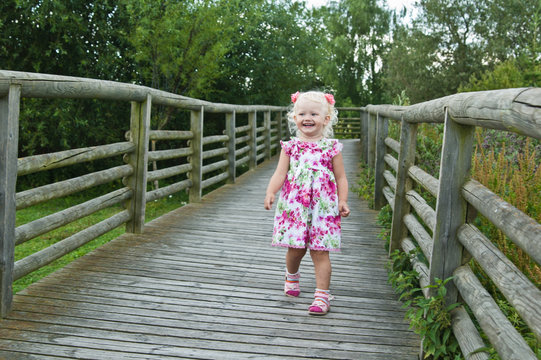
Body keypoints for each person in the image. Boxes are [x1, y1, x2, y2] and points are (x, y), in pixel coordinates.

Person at [264, 90, 350, 315]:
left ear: (326, 119)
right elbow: (280, 174)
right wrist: (271, 192)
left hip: (323, 209)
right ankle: (291, 276)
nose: (307, 118)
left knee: (320, 252)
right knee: (296, 249)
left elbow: (341, 177)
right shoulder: (290, 147)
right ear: (294, 118)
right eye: (301, 113)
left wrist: (342, 201)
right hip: (295, 208)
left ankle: (322, 296)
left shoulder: (332, 148)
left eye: (314, 113)